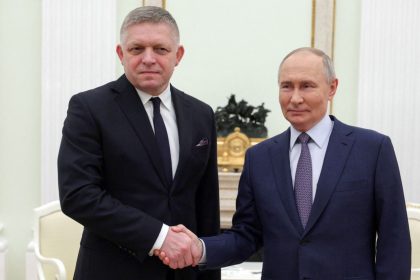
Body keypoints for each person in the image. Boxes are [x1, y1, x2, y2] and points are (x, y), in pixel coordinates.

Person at [157, 47, 412, 279]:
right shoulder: (259, 157)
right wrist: (199, 248)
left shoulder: (372, 149)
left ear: (332, 87)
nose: (295, 98)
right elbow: (247, 235)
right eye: (287, 86)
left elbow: (394, 240)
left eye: (307, 86)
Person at [57, 6, 220, 280]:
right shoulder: (89, 108)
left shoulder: (201, 114)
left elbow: (206, 207)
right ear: (121, 54)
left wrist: (208, 270)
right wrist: (160, 236)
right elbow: (78, 196)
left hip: (185, 274)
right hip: (112, 271)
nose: (148, 59)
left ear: (177, 55)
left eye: (160, 49)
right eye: (137, 49)